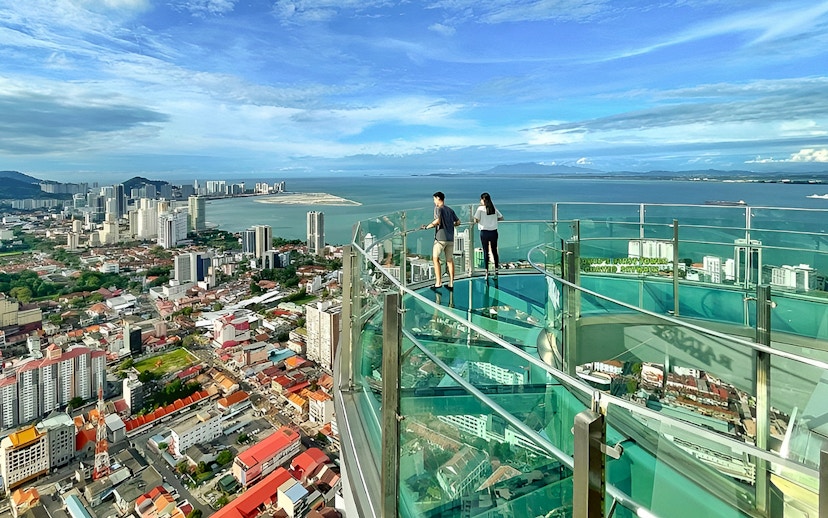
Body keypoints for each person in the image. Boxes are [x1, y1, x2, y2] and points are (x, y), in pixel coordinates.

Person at [420, 191, 460, 290]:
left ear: (438, 198)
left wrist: (427, 227)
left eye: (434, 199)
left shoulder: (438, 209)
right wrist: (450, 225)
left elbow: (437, 221)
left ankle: (438, 282)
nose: (434, 201)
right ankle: (451, 283)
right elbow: (458, 222)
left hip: (440, 238)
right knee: (449, 260)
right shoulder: (450, 210)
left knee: (435, 259)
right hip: (450, 238)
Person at [473, 192, 504, 280]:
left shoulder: (480, 209)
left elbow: (476, 219)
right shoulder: (493, 208)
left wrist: (479, 221)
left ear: (483, 200)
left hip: (484, 232)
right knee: (494, 251)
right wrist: (493, 220)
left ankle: (486, 272)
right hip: (494, 232)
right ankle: (496, 271)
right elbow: (501, 217)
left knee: (486, 251)